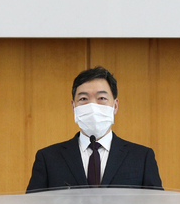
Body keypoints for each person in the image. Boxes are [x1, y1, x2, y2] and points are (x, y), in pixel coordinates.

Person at [26, 66, 162, 191]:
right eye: (83, 99)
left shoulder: (142, 157)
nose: (92, 106)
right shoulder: (48, 158)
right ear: (73, 107)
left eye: (101, 98)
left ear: (115, 106)